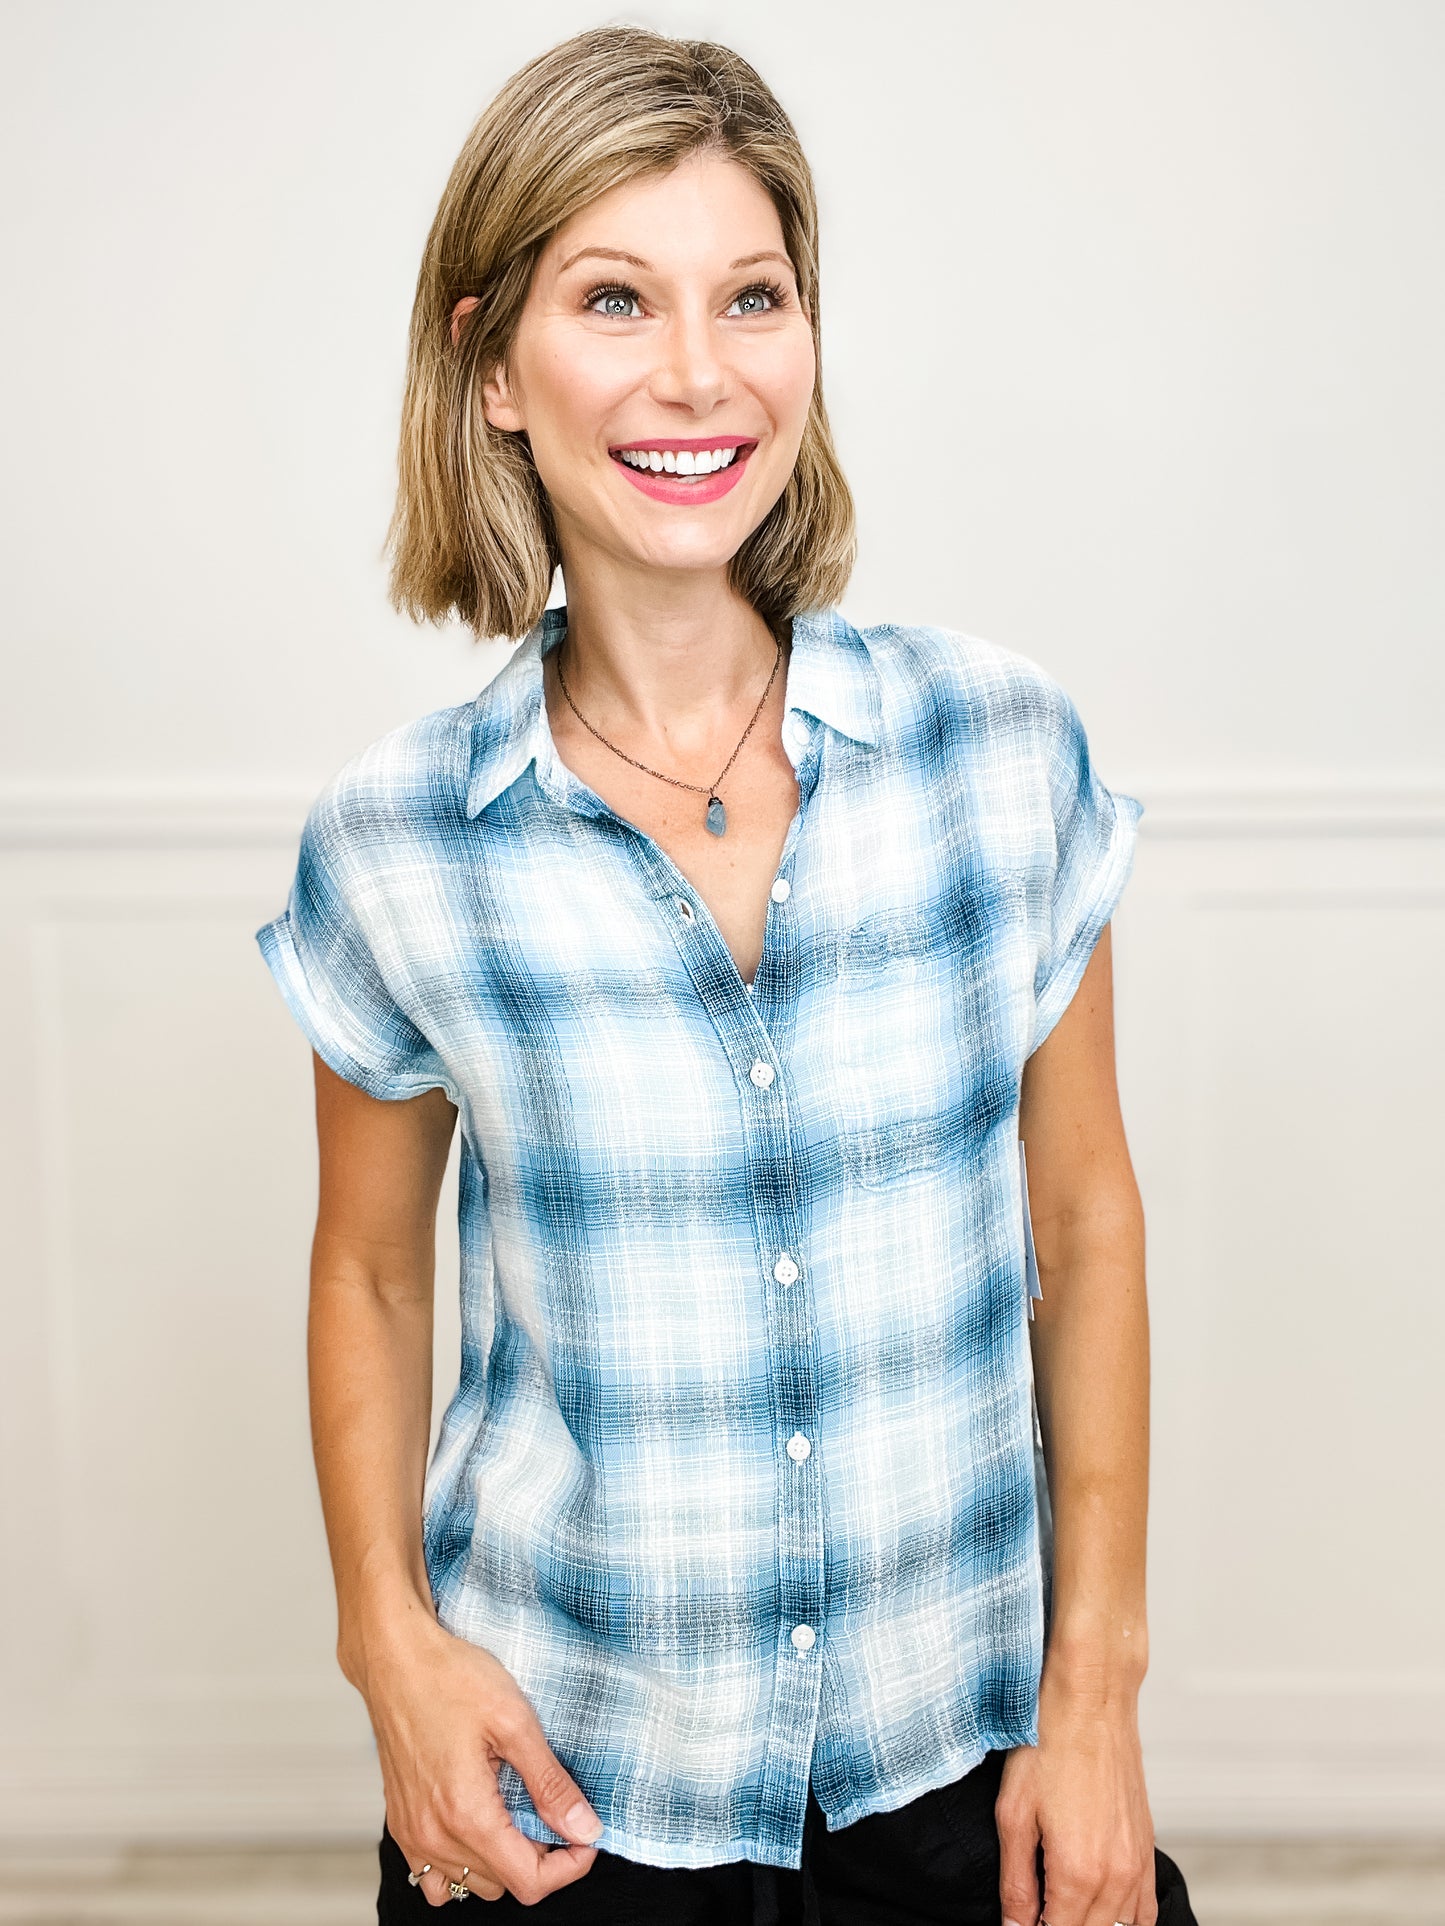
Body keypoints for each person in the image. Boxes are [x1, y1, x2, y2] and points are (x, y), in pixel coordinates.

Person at [255, 25, 1197, 1926]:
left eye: (751, 296)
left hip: (966, 1769)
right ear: (491, 366)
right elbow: (366, 1268)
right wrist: (392, 1654)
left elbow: (1083, 1226)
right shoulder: (398, 841)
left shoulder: (997, 752)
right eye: (614, 298)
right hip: (576, 1794)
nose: (699, 372)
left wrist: (1089, 1696)